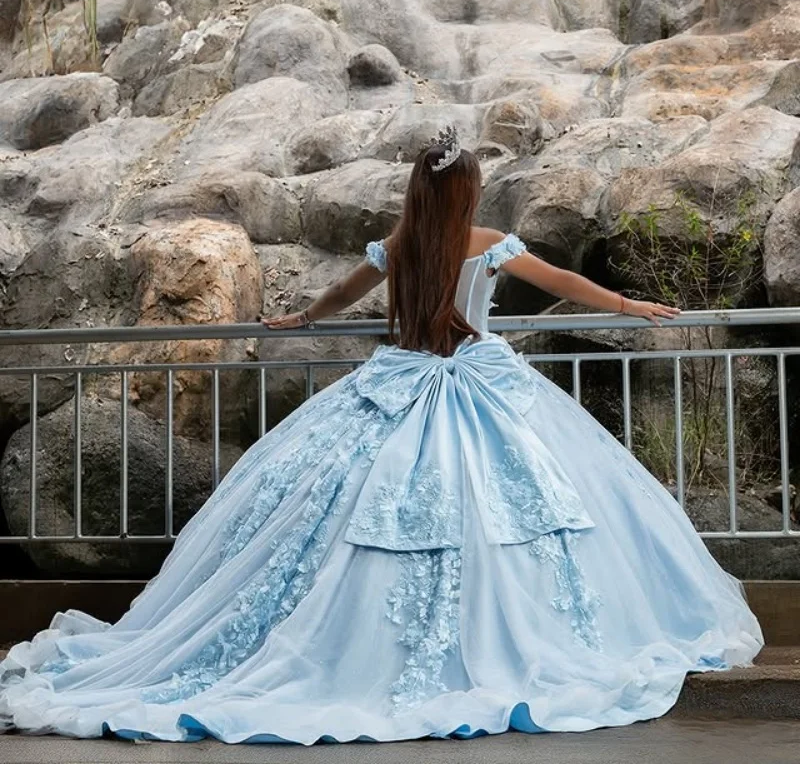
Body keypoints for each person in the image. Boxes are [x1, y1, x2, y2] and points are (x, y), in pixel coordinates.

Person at [0, 128, 763, 744]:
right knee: (519, 512)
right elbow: (569, 287)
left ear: (418, 191)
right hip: (481, 384)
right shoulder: (488, 240)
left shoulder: (399, 245)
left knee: (344, 512)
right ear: (467, 192)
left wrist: (302, 320)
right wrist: (629, 305)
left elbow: (339, 294)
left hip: (398, 382)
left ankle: (350, 647)